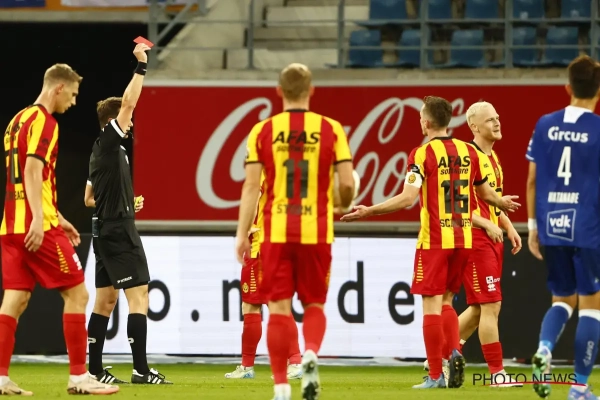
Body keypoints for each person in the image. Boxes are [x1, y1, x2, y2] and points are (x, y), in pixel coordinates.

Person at [341, 96, 520, 390]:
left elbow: (407, 198)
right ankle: (452, 351)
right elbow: (486, 194)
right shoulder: (469, 152)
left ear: (425, 123)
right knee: (448, 302)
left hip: (435, 241)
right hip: (464, 240)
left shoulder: (422, 154)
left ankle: (436, 373)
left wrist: (369, 211)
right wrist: (502, 204)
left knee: (431, 307)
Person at [235, 63, 356, 400]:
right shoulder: (331, 129)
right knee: (314, 304)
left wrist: (241, 234)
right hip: (316, 230)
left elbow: (250, 187)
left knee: (278, 308)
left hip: (274, 231)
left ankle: (281, 388)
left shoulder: (263, 131)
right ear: (311, 90)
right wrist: (342, 203)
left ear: (279, 91)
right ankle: (311, 353)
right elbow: (347, 184)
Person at [0, 64, 119, 395]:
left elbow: (24, 179)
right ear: (59, 88)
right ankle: (79, 377)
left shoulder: (17, 120)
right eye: (74, 94)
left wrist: (57, 215)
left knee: (14, 300)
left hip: (10, 226)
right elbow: (32, 170)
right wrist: (41, 219)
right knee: (78, 294)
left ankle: (0, 377)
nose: (74, 101)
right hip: (35, 226)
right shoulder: (45, 122)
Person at [86, 43, 171, 385]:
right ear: (113, 121)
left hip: (103, 228)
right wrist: (141, 66)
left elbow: (89, 198)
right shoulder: (110, 143)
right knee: (140, 295)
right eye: (125, 118)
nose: (131, 122)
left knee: (105, 300)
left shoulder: (100, 152)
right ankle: (140, 370)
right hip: (119, 230)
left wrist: (122, 201)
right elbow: (130, 102)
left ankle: (94, 371)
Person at [526, 55, 600, 400]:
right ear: (598, 91)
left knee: (562, 299)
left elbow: (531, 179)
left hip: (552, 224)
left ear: (568, 87)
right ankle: (579, 387)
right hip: (588, 227)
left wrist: (532, 226)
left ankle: (544, 348)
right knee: (591, 307)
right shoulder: (598, 129)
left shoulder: (544, 124)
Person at [455, 101, 522, 387]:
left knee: (479, 308)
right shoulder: (467, 157)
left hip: (492, 238)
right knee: (491, 304)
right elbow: (455, 206)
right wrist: (486, 224)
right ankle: (497, 373)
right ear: (474, 126)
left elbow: (493, 202)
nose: (496, 122)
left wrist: (508, 226)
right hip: (475, 238)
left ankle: (443, 354)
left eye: (497, 117)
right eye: (489, 120)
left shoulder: (492, 158)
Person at [225, 172, 303, 380]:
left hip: (260, 251)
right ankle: (293, 361)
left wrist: (245, 230)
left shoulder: (261, 173)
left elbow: (253, 197)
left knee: (252, 307)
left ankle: (250, 366)